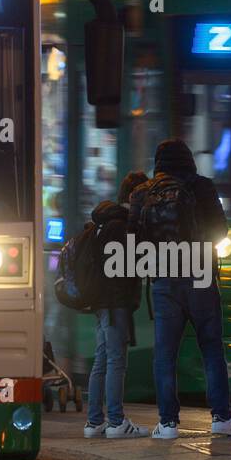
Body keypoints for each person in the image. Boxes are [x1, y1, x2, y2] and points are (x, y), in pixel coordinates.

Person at [129, 138, 231, 439]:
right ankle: (222, 418)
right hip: (200, 277)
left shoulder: (142, 193)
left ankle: (167, 423)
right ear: (188, 160)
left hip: (164, 282)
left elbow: (133, 239)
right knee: (211, 349)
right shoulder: (203, 186)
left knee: (165, 354)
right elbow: (221, 230)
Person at [84, 171, 151, 440]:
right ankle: (116, 421)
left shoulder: (105, 221)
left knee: (102, 360)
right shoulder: (123, 225)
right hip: (115, 303)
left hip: (101, 303)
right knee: (115, 361)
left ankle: (94, 422)